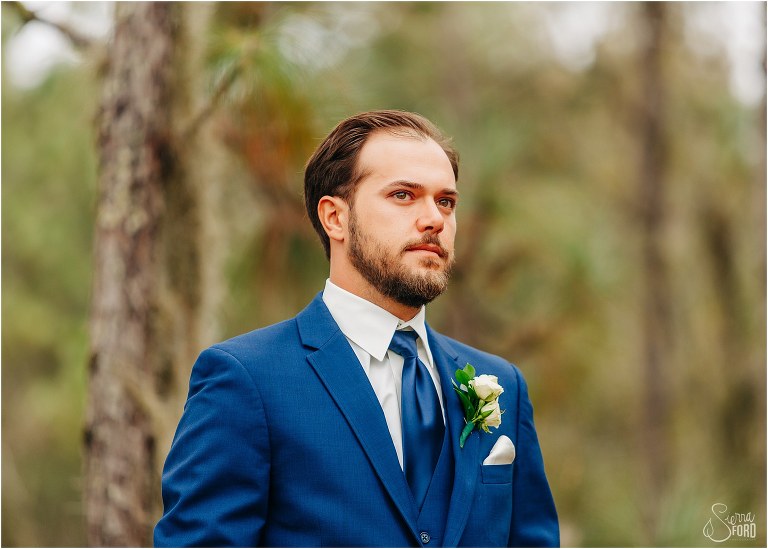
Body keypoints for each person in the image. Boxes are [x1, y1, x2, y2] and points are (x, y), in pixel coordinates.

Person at [154, 110, 559, 547]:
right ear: (335, 218)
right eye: (404, 195)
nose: (435, 220)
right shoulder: (246, 381)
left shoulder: (503, 386)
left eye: (446, 202)